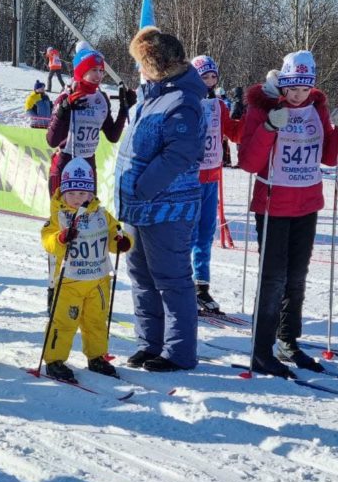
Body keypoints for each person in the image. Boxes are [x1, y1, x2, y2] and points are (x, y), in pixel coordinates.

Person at [238, 51, 338, 377]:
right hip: (273, 203)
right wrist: (267, 128)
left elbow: (330, 156)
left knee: (297, 277)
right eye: (292, 88)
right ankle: (262, 350)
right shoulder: (263, 107)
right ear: (283, 83)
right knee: (273, 278)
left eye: (305, 89)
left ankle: (288, 340)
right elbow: (248, 162)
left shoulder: (317, 107)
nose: (298, 95)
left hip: (307, 203)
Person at [114, 26, 206, 373]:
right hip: (139, 208)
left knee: (171, 278)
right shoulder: (152, 94)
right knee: (141, 276)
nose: (138, 70)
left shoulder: (183, 101)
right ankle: (149, 343)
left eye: (142, 64)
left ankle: (178, 351)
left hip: (167, 207)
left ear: (157, 64)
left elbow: (179, 155)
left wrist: (142, 186)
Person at [40, 157, 132, 382]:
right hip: (69, 282)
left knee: (96, 321)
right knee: (63, 322)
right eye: (71, 194)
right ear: (63, 193)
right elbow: (48, 240)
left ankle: (97, 357)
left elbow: (115, 235)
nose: (76, 199)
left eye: (82, 194)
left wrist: (122, 242)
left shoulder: (101, 214)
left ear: (91, 194)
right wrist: (61, 238)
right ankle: (55, 360)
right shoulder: (59, 215)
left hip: (98, 281)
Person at [189, 55, 243, 314]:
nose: (209, 82)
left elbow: (234, 133)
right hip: (190, 179)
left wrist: (239, 115)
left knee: (206, 234)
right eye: (204, 77)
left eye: (213, 77)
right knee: (187, 235)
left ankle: (201, 287)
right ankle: (182, 286)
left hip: (212, 177)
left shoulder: (219, 105)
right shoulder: (187, 101)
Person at [46, 45, 128, 195]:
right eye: (93, 70)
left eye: (101, 70)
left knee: (88, 216)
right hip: (65, 162)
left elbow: (113, 136)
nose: (98, 75)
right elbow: (52, 140)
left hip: (88, 163)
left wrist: (124, 108)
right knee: (62, 217)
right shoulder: (66, 97)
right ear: (81, 71)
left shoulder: (101, 99)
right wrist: (63, 112)